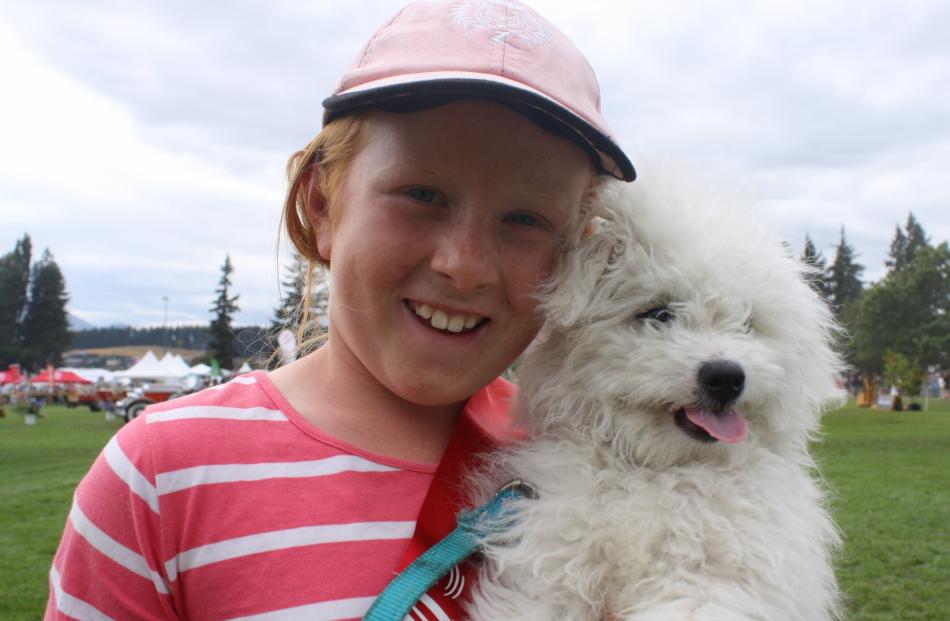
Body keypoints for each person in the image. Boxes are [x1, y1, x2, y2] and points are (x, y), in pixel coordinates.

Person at [44, 1, 635, 620]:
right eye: (423, 194)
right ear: (323, 204)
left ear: (578, 253)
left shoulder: (598, 462)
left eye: (525, 220)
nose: (465, 264)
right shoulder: (161, 478)